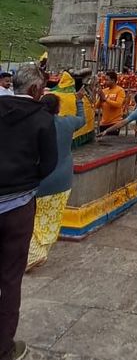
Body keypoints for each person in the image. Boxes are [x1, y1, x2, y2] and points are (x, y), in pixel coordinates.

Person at [0, 63, 58, 360]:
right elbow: (48, 163)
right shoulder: (40, 117)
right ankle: (2, 354)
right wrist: (26, 182)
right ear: (37, 90)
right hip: (17, 206)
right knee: (9, 278)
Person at [26, 89, 86, 271]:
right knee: (51, 219)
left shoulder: (32, 124)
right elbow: (82, 120)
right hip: (62, 180)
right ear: (58, 108)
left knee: (32, 219)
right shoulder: (67, 122)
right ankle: (35, 254)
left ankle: (31, 253)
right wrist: (79, 101)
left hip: (38, 180)